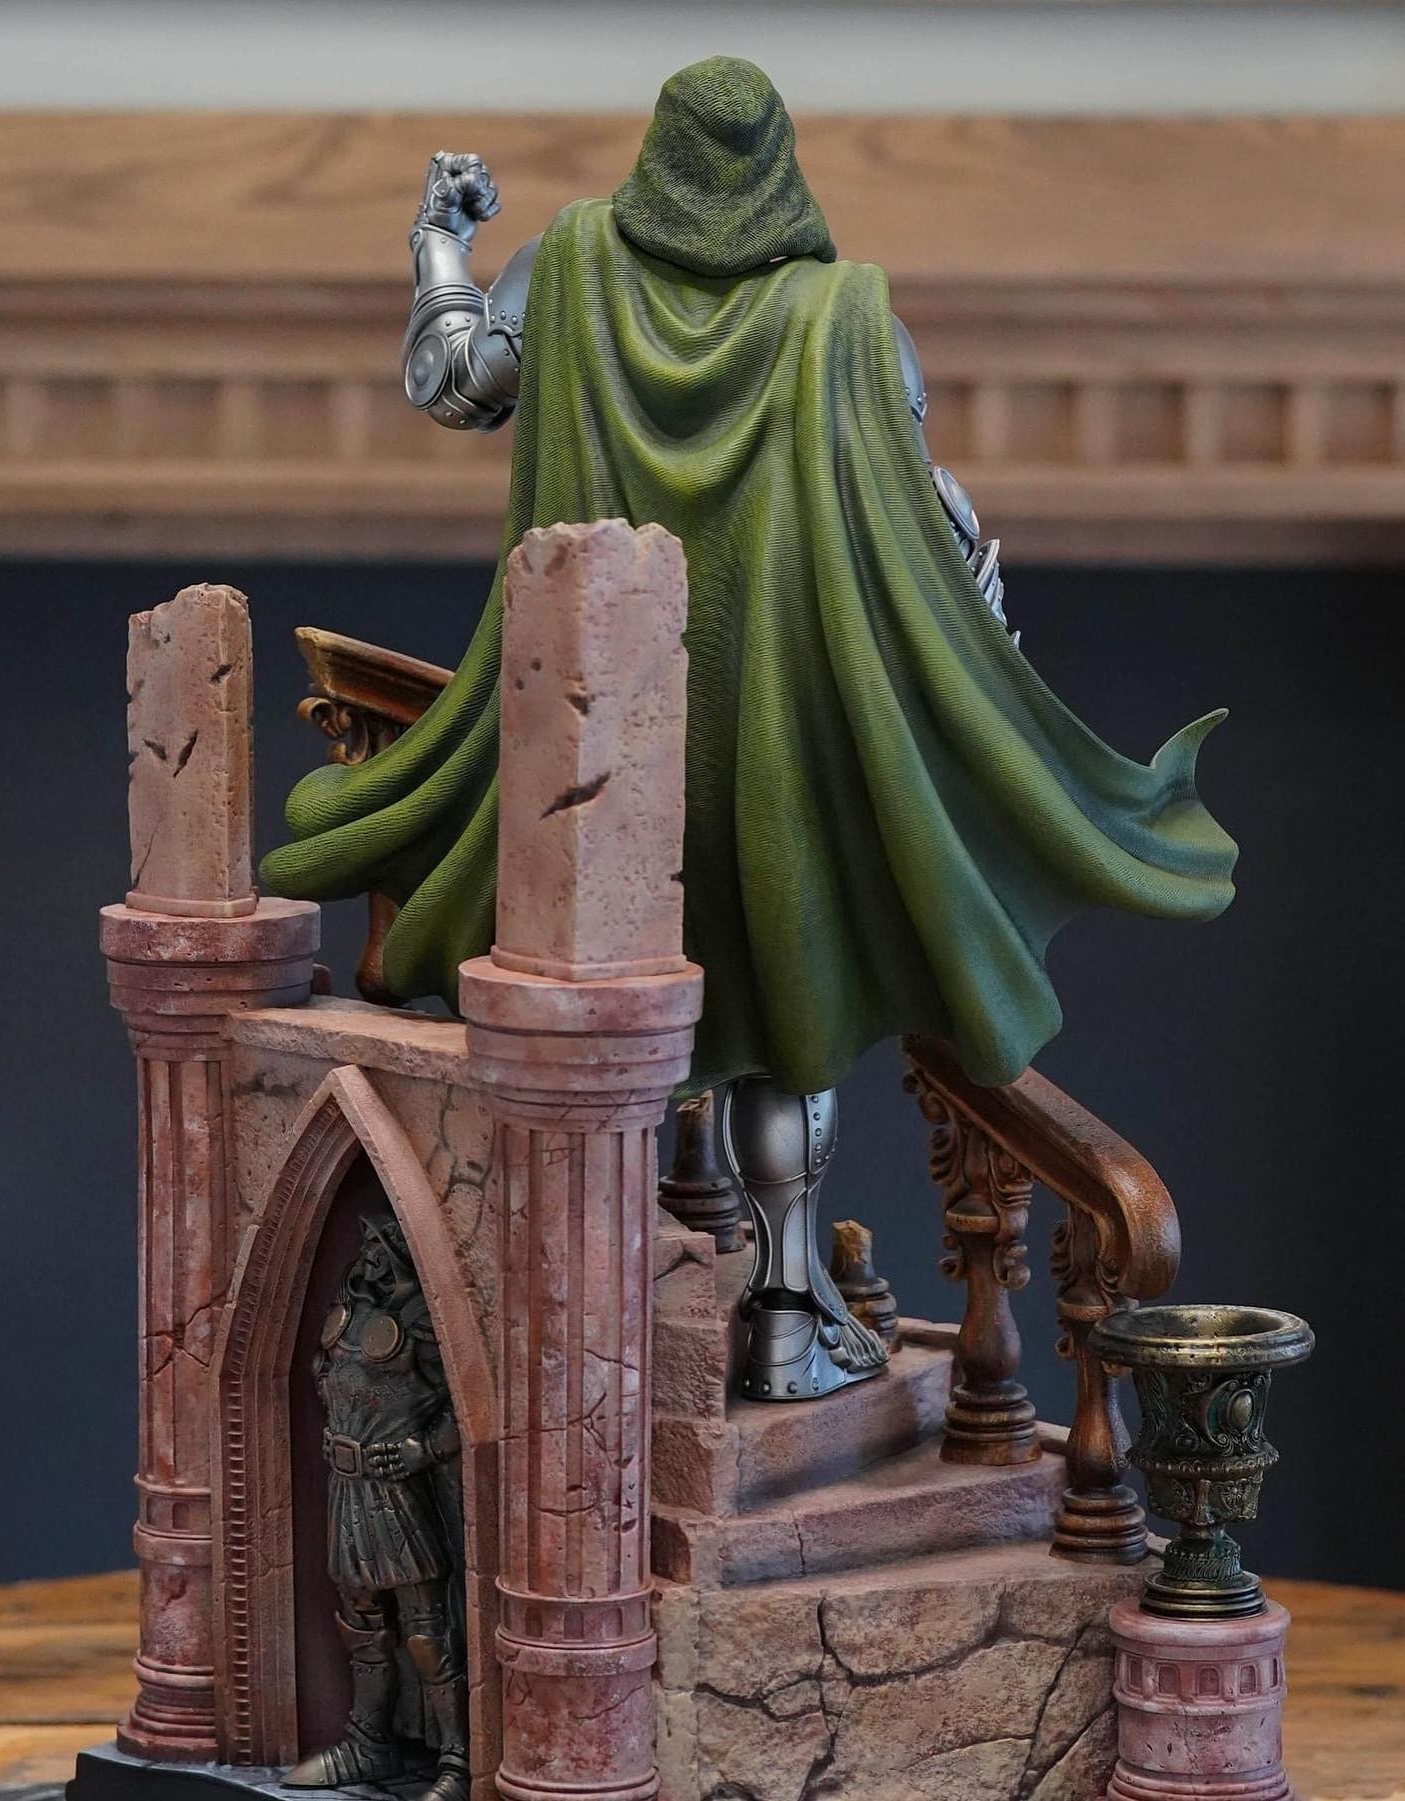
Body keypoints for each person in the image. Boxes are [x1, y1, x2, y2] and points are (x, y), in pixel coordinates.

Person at [262, 58, 1236, 1403]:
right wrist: (980, 651)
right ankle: (785, 1308)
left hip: (592, 766)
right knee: (786, 1018)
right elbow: (929, 535)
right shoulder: (851, 322)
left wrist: (439, 240)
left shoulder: (569, 267)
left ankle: (586, 1334)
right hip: (777, 761)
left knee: (606, 1018)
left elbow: (451, 381)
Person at [283, 1217, 469, 1801]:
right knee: (361, 1620)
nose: (369, 1259)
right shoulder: (348, 1315)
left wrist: (424, 1449)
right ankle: (369, 1743)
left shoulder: (421, 1322)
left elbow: (467, 1404)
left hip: (397, 1491)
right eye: (366, 1247)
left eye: (380, 1249)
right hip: (348, 1486)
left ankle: (457, 1759)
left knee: (424, 1630)